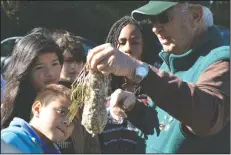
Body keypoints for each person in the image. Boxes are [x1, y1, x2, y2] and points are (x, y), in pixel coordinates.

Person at [86, 1, 230, 153]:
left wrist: (136, 69)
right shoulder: (171, 62)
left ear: (195, 16)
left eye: (163, 18)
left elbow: (207, 116)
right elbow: (165, 127)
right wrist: (135, 109)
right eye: (152, 20)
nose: (155, 28)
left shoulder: (221, 61)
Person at [99, 15, 160, 153]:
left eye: (135, 42)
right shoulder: (103, 85)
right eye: (122, 42)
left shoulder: (156, 82)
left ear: (145, 45)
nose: (128, 48)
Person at [52, 30, 101, 154]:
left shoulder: (85, 95)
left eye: (78, 61)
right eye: (68, 61)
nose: (74, 66)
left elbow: (92, 141)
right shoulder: (47, 93)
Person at [1, 33, 63, 129]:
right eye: (40, 67)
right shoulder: (11, 112)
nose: (50, 73)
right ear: (25, 71)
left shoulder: (69, 99)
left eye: (54, 64)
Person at [1, 84, 76, 153]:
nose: (67, 121)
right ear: (37, 109)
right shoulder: (9, 140)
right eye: (62, 112)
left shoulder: (54, 151)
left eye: (73, 119)